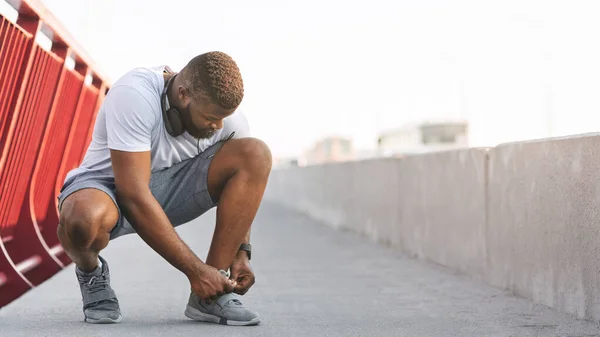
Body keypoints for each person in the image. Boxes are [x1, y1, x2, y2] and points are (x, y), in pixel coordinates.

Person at [56, 51, 271, 326]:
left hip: (168, 189)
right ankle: (91, 272)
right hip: (109, 187)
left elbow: (245, 186)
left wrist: (241, 253)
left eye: (222, 118)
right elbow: (132, 195)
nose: (218, 126)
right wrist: (195, 271)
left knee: (255, 153)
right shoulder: (134, 94)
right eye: (210, 118)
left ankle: (211, 297)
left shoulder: (228, 120)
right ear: (183, 94)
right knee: (80, 220)